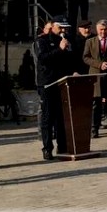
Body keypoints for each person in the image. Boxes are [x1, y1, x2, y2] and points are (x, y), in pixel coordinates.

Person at [35, 17, 76, 160]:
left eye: (66, 28)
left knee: (62, 116)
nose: (64, 30)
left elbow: (71, 58)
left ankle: (63, 145)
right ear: (53, 26)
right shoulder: (42, 40)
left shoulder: (66, 39)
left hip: (62, 81)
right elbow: (43, 58)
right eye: (61, 27)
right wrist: (59, 49)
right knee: (48, 117)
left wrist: (73, 71)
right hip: (48, 83)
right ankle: (47, 148)